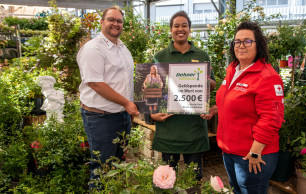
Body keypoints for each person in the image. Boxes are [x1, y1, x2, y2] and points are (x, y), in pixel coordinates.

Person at [201, 21, 284, 194]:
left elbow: (272, 119)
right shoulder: (233, 69)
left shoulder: (267, 76)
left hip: (252, 155)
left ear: (258, 45)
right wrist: (216, 109)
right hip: (230, 151)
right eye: (237, 42)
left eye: (247, 41)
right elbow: (233, 101)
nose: (241, 45)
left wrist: (255, 152)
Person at [77, 6, 139, 190]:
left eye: (119, 21)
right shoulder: (93, 49)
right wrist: (127, 103)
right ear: (102, 22)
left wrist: (132, 105)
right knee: (102, 168)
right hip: (101, 118)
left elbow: (125, 81)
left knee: (117, 166)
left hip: (121, 116)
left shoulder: (122, 48)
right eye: (111, 19)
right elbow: (95, 83)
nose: (115, 24)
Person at [150, 11, 216, 182]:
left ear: (189, 29)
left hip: (193, 129)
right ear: (170, 30)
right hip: (168, 129)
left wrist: (199, 80)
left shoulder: (201, 56)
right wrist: (151, 113)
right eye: (176, 26)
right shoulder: (159, 57)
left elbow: (213, 84)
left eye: (184, 25)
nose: (180, 29)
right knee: (166, 180)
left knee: (193, 179)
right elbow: (152, 88)